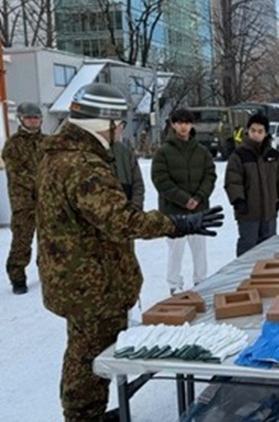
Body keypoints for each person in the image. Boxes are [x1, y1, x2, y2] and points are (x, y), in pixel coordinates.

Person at [36, 83, 223, 422]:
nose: (121, 130)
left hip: (74, 277)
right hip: (91, 283)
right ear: (100, 123)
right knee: (89, 355)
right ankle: (83, 416)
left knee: (81, 350)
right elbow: (121, 220)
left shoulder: (59, 157)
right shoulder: (83, 165)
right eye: (118, 123)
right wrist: (178, 224)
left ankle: (85, 412)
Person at [152, 108, 217, 294]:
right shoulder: (163, 152)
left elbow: (210, 176)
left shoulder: (202, 151)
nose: (183, 126)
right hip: (174, 211)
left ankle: (201, 281)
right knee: (175, 250)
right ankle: (174, 284)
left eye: (187, 122)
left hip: (199, 210)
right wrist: (183, 199)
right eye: (179, 122)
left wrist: (198, 197)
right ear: (173, 124)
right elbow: (161, 180)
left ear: (192, 124)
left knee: (199, 250)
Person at [225, 113, 279, 257]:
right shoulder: (239, 155)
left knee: (268, 248)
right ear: (248, 131)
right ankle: (244, 276)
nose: (256, 134)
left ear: (266, 133)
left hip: (269, 211)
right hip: (248, 212)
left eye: (260, 131)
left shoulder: (273, 155)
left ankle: (268, 278)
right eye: (253, 130)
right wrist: (238, 200)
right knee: (248, 247)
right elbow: (232, 180)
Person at [2, 102, 45, 294]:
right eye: (29, 118)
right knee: (21, 241)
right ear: (21, 119)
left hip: (46, 201)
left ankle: (47, 273)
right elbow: (16, 173)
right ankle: (17, 277)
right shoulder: (13, 145)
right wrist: (42, 180)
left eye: (36, 118)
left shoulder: (49, 142)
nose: (33, 121)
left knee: (48, 240)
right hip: (24, 202)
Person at [111, 121, 145, 210]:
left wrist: (134, 208)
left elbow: (138, 184)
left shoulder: (126, 153)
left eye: (121, 126)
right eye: (116, 125)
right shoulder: (95, 152)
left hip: (129, 215)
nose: (119, 129)